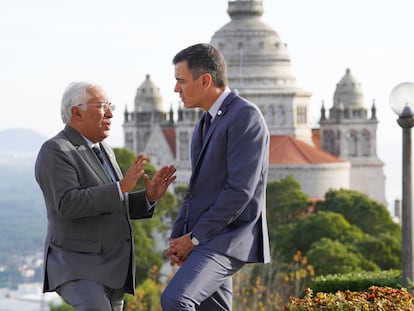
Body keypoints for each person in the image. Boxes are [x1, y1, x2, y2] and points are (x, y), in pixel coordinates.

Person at [35, 81, 176, 311]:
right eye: (102, 106)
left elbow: (112, 204)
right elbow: (68, 203)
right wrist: (121, 187)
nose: (110, 114)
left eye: (111, 106)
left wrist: (148, 197)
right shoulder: (56, 150)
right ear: (76, 112)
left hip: (114, 270)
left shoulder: (105, 150)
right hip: (78, 265)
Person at [162, 43, 270, 310]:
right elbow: (195, 190)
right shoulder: (205, 123)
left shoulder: (245, 117)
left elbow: (239, 192)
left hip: (229, 238)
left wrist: (194, 238)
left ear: (206, 80)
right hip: (207, 238)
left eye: (181, 81)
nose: (176, 89)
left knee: (176, 300)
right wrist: (179, 238)